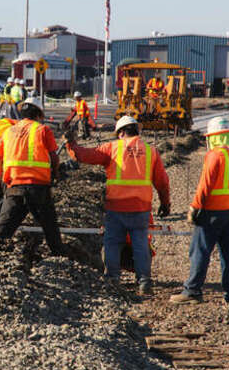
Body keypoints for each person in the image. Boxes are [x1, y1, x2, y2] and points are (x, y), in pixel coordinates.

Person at [65, 115, 171, 295]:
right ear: (136, 130)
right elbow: (162, 181)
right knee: (140, 244)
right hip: (141, 207)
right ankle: (144, 281)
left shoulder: (112, 148)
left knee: (112, 242)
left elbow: (85, 156)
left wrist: (71, 144)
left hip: (116, 206)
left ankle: (113, 279)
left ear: (121, 132)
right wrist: (165, 203)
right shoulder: (150, 151)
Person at [170, 116, 229, 305]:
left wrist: (195, 207)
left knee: (200, 251)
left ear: (213, 137)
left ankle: (192, 290)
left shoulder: (215, 155)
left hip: (212, 211)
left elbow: (205, 185)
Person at [0, 97, 63, 255]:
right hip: (38, 188)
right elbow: (54, 157)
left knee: (2, 231)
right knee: (50, 228)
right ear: (38, 114)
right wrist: (56, 174)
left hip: (14, 187)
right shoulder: (42, 130)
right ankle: (59, 255)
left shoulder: (9, 131)